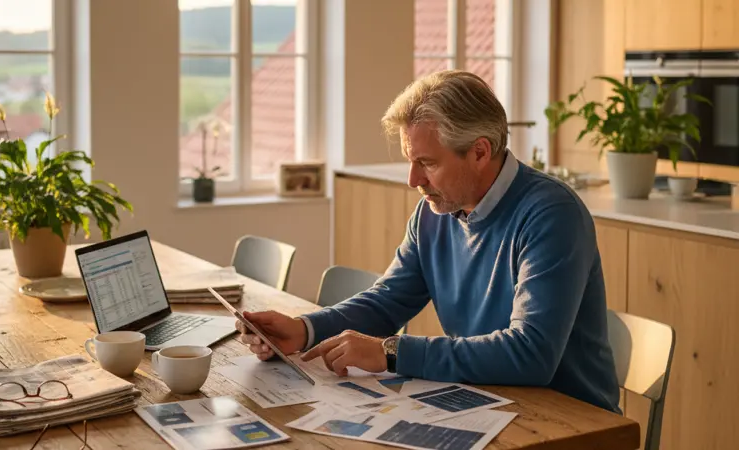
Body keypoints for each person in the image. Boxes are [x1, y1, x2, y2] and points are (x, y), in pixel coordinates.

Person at [235, 70, 621, 413]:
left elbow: (530, 353)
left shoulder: (551, 213)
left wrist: (392, 352)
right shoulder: (433, 213)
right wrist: (304, 330)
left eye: (428, 163)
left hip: (573, 422)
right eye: (410, 160)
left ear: (480, 152)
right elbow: (387, 302)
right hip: (487, 405)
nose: (413, 180)